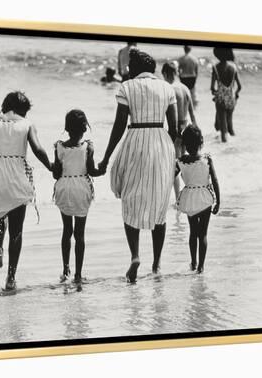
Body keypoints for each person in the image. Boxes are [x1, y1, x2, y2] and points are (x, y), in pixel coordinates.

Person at [98, 50, 178, 283]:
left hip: (135, 140)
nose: (127, 70)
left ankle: (135, 256)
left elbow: (119, 125)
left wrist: (105, 158)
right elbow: (173, 129)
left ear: (135, 68)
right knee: (159, 204)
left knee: (130, 199)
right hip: (161, 143)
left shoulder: (127, 87)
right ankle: (157, 264)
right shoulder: (167, 88)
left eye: (130, 66)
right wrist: (170, 155)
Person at [0, 91, 54, 290]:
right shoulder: (27, 124)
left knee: (1, 210)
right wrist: (51, 166)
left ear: (5, 106)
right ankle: (10, 277)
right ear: (23, 111)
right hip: (16, 176)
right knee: (17, 230)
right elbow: (37, 149)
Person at [52, 110, 103, 286]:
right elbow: (92, 171)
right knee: (79, 234)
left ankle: (65, 269)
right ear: (84, 128)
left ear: (66, 128)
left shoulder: (59, 146)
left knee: (67, 230)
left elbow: (56, 174)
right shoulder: (88, 147)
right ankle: (78, 275)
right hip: (81, 187)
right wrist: (103, 168)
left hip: (64, 187)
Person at [175, 125, 220, 273]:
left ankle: (193, 262)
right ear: (201, 142)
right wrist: (218, 201)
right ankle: (201, 266)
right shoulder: (207, 160)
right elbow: (214, 180)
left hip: (189, 199)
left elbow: (169, 178)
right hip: (205, 199)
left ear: (185, 145)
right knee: (203, 234)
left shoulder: (181, 161)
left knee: (193, 233)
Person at [161, 61, 197, 200]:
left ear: (165, 74)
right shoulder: (185, 88)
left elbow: (168, 115)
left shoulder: (169, 89)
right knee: (184, 164)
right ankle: (191, 192)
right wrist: (196, 133)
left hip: (176, 131)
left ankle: (177, 199)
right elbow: (193, 115)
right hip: (186, 129)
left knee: (174, 166)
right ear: (177, 72)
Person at [211, 47, 242, 142]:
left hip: (220, 100)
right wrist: (235, 94)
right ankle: (235, 146)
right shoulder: (233, 67)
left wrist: (216, 93)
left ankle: (225, 151)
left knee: (223, 130)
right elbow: (240, 86)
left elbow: (212, 88)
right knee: (230, 126)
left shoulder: (216, 68)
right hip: (231, 99)